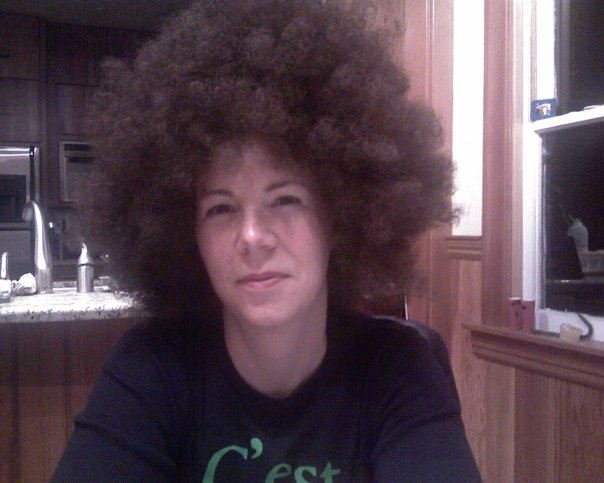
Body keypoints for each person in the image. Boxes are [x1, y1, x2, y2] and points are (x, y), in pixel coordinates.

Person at [53, 0, 481, 481]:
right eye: (220, 208)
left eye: (285, 200)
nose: (252, 237)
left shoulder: (397, 369)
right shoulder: (151, 370)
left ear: (339, 217)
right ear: (187, 233)